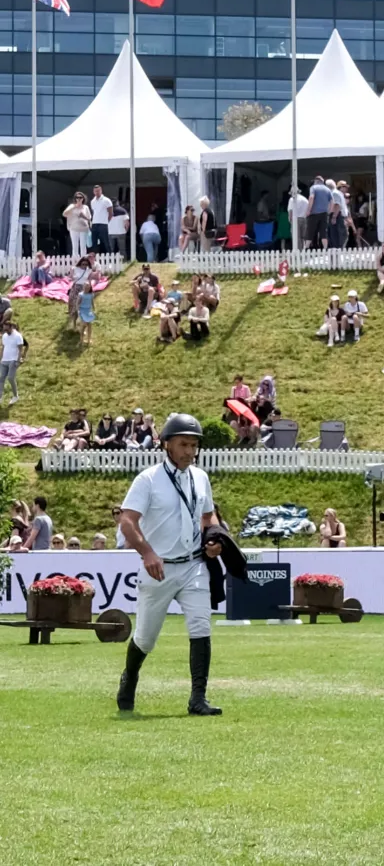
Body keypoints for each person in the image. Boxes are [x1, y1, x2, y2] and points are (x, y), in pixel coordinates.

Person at [116, 413, 223, 716]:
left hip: (193, 565)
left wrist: (214, 539)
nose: (190, 451)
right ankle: (130, 676)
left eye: (194, 445)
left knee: (201, 626)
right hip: (158, 569)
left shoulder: (200, 477)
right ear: (166, 445)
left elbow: (207, 516)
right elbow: (127, 521)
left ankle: (198, 698)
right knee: (145, 638)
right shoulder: (148, 479)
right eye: (184, 444)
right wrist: (147, 552)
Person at [0, 317, 24, 405]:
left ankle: (15, 396)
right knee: (1, 378)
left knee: (10, 378)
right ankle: (0, 397)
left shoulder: (18, 336)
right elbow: (3, 347)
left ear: (10, 327)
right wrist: (1, 358)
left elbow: (20, 349)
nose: (5, 330)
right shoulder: (5, 336)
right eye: (3, 328)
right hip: (4, 360)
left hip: (13, 360)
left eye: (6, 328)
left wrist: (18, 360)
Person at [63, 191, 92, 259]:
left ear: (83, 198)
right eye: (77, 197)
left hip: (84, 228)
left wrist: (83, 216)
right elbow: (64, 214)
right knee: (75, 246)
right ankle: (75, 262)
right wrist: (74, 207)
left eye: (80, 197)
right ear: (75, 199)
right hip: (74, 228)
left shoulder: (85, 207)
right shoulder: (72, 206)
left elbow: (89, 218)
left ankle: (84, 261)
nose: (78, 199)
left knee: (83, 247)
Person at [306, 176, 332, 249]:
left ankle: (306, 248)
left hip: (314, 213)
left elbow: (311, 197)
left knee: (310, 231)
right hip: (324, 214)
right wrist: (329, 211)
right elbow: (332, 201)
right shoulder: (328, 189)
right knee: (323, 232)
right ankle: (325, 248)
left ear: (316, 181)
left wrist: (308, 210)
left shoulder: (313, 188)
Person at [89, 184, 114, 254]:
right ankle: (95, 258)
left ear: (101, 191)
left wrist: (106, 221)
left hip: (103, 224)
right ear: (93, 192)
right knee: (94, 242)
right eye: (95, 191)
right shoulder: (92, 201)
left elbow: (111, 213)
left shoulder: (106, 200)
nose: (97, 192)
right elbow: (94, 212)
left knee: (106, 242)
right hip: (94, 224)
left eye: (98, 191)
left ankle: (111, 257)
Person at [327, 178, 348, 249]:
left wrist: (334, 217)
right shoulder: (337, 193)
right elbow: (337, 205)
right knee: (338, 234)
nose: (346, 189)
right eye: (344, 187)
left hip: (337, 215)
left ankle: (338, 248)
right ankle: (338, 248)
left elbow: (337, 205)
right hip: (338, 215)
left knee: (337, 234)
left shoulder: (334, 193)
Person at [77, 281, 96, 346]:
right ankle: (81, 340)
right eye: (85, 287)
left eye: (88, 287)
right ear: (83, 287)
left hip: (88, 311)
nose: (86, 288)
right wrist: (78, 311)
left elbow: (92, 302)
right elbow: (78, 303)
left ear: (90, 288)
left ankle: (88, 339)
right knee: (83, 326)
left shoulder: (91, 295)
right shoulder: (81, 294)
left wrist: (94, 309)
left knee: (89, 326)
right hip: (82, 311)